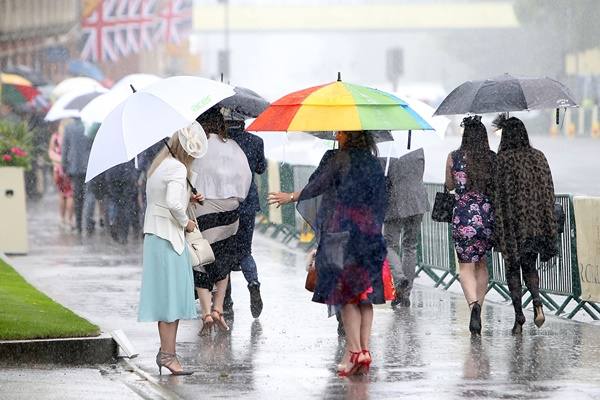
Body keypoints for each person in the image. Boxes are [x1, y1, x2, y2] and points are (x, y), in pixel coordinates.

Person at [269, 131, 387, 377]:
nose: (336, 134)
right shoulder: (374, 163)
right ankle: (364, 351)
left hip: (342, 235)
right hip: (370, 237)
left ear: (347, 135)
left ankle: (354, 351)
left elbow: (316, 186)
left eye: (340, 131)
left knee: (346, 296)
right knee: (365, 296)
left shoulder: (338, 159)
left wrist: (290, 196)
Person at [137, 122, 206, 375]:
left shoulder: (159, 165)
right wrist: (187, 221)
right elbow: (173, 204)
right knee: (172, 299)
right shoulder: (177, 168)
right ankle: (168, 355)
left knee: (165, 298)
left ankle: (166, 353)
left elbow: (164, 200)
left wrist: (189, 198)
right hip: (169, 239)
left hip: (155, 236)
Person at [492, 114, 557, 335]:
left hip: (512, 225)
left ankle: (519, 315)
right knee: (530, 266)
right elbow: (548, 188)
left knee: (512, 269)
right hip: (535, 225)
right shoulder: (538, 156)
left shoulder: (502, 160)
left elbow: (496, 195)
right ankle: (537, 302)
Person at [191, 106, 251, 335]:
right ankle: (218, 308)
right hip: (230, 208)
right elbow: (245, 177)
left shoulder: (197, 147)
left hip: (202, 207)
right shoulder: (233, 147)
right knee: (224, 257)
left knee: (201, 258)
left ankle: (206, 312)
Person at [444, 116, 496, 335]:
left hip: (463, 216)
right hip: (486, 216)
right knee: (482, 264)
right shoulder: (491, 158)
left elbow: (449, 185)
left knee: (465, 267)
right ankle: (479, 308)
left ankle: (472, 305)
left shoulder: (454, 157)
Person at [225, 113, 267, 318]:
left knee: (221, 251)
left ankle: (226, 302)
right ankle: (253, 282)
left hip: (224, 202)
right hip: (248, 203)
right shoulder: (255, 141)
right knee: (244, 250)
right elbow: (261, 168)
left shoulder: (221, 142)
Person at [382, 148, 430, 308]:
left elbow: (381, 179)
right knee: (411, 246)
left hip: (394, 201)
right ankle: (405, 294)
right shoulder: (418, 151)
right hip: (417, 200)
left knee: (390, 245)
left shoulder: (387, 153)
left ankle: (399, 278)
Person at [61, 118, 91, 234]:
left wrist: (64, 165)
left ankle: (79, 224)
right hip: (88, 166)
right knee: (89, 195)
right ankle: (88, 223)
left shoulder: (69, 128)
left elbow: (65, 148)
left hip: (75, 167)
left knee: (77, 196)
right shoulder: (90, 127)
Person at [48, 120, 74, 228]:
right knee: (70, 194)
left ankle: (62, 219)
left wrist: (58, 160)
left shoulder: (55, 136)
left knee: (62, 194)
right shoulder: (71, 137)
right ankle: (69, 219)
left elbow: (50, 152)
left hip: (57, 170)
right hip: (69, 168)